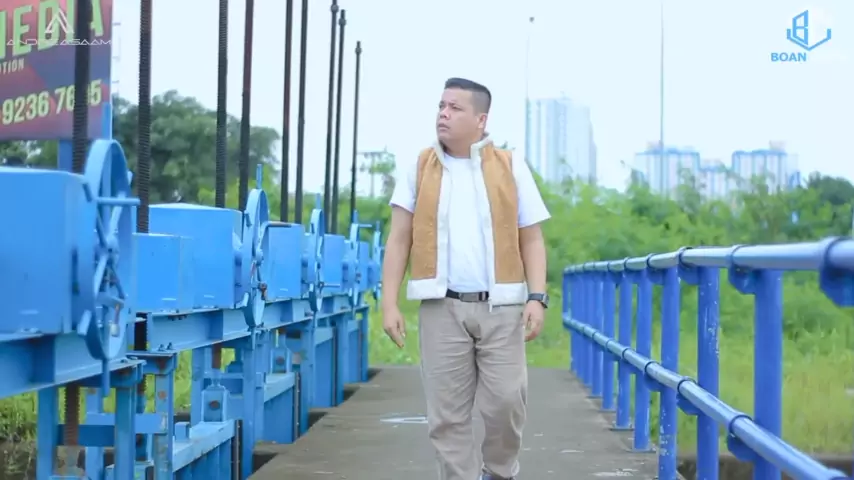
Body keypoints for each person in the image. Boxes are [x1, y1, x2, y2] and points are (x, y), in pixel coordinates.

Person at [381, 77, 551, 480]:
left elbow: (531, 237)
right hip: (442, 307)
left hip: (501, 307)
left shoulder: (510, 165)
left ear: (480, 119)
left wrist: (536, 296)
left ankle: (500, 471)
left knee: (507, 401)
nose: (443, 114)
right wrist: (389, 303)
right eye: (441, 106)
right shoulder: (420, 166)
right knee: (447, 415)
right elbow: (399, 239)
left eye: (455, 108)